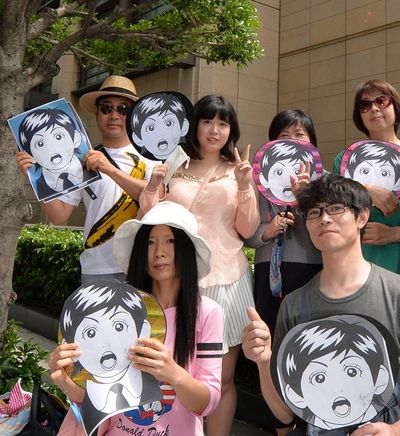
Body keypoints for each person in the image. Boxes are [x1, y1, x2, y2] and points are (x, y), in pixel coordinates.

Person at [242, 174, 400, 435]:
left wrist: (398, 431)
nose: (324, 218)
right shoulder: (294, 305)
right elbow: (286, 414)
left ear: (362, 217)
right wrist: (264, 362)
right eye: (314, 212)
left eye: (335, 208)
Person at [49, 201, 223, 435]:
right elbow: (95, 401)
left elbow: (207, 402)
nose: (159, 252)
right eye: (150, 242)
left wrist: (173, 372)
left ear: (187, 248)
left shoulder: (209, 313)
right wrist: (65, 379)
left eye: (170, 241)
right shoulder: (114, 312)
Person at [140, 95, 260, 435]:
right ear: (194, 125)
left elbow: (248, 229)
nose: (215, 130)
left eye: (223, 123)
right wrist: (152, 186)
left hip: (227, 279)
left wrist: (245, 186)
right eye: (208, 121)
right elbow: (152, 219)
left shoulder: (237, 171)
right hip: (175, 282)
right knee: (175, 370)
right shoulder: (174, 164)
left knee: (221, 377)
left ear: (231, 130)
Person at [15, 75, 160, 283]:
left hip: (143, 267)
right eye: (106, 108)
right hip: (97, 268)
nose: (114, 115)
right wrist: (35, 177)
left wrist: (109, 169)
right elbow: (59, 216)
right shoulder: (81, 162)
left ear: (134, 116)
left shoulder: (151, 157)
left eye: (123, 109)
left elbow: (154, 198)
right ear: (97, 113)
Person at [246, 110, 322, 336]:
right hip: (267, 271)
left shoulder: (324, 181)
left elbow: (327, 232)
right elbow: (246, 234)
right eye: (284, 135)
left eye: (300, 134)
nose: (292, 140)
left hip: (311, 268)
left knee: (306, 335)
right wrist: (267, 232)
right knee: (268, 334)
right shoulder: (256, 182)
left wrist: (304, 198)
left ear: (312, 142)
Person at [333, 80, 400, 277]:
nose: (374, 108)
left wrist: (396, 234)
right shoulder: (344, 161)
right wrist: (365, 188)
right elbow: (333, 211)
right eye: (365, 105)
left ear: (396, 106)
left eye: (382, 100)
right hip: (355, 266)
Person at [58, 281, 162, 435]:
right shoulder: (85, 396)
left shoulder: (152, 384)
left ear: (143, 332)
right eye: (91, 333)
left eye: (119, 326)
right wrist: (68, 385)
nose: (106, 342)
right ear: (69, 347)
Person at [17, 108, 95, 200]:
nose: (52, 147)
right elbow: (60, 214)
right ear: (30, 155)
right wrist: (30, 176)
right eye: (40, 144)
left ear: (76, 139)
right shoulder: (39, 185)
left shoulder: (90, 166)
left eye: (58, 137)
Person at [129, 94, 190, 160]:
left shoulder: (188, 162)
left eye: (168, 123)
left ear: (184, 127)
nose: (161, 132)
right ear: (138, 139)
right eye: (151, 128)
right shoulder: (137, 163)